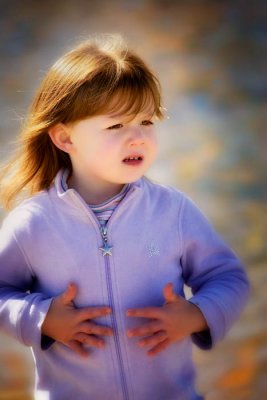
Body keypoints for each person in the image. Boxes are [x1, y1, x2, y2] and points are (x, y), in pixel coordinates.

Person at [0, 34, 249, 400]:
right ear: (65, 138)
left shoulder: (172, 211)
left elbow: (228, 279)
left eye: (146, 122)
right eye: (116, 126)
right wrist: (41, 318)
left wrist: (196, 314)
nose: (137, 139)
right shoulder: (33, 222)